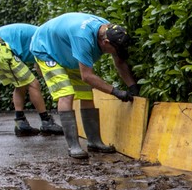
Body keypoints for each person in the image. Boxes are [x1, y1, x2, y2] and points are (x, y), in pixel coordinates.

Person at [30, 12, 139, 159]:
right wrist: (116, 92)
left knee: (87, 94)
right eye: (116, 50)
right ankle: (73, 146)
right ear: (105, 43)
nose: (117, 53)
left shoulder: (109, 30)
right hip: (46, 49)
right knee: (66, 94)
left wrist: (132, 86)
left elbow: (119, 62)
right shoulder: (83, 38)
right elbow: (86, 76)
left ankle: (94, 142)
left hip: (67, 50)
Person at [0, 23, 64, 136]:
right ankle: (46, 122)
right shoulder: (46, 40)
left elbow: (39, 67)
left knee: (21, 84)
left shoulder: (41, 37)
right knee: (33, 84)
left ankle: (21, 123)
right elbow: (42, 69)